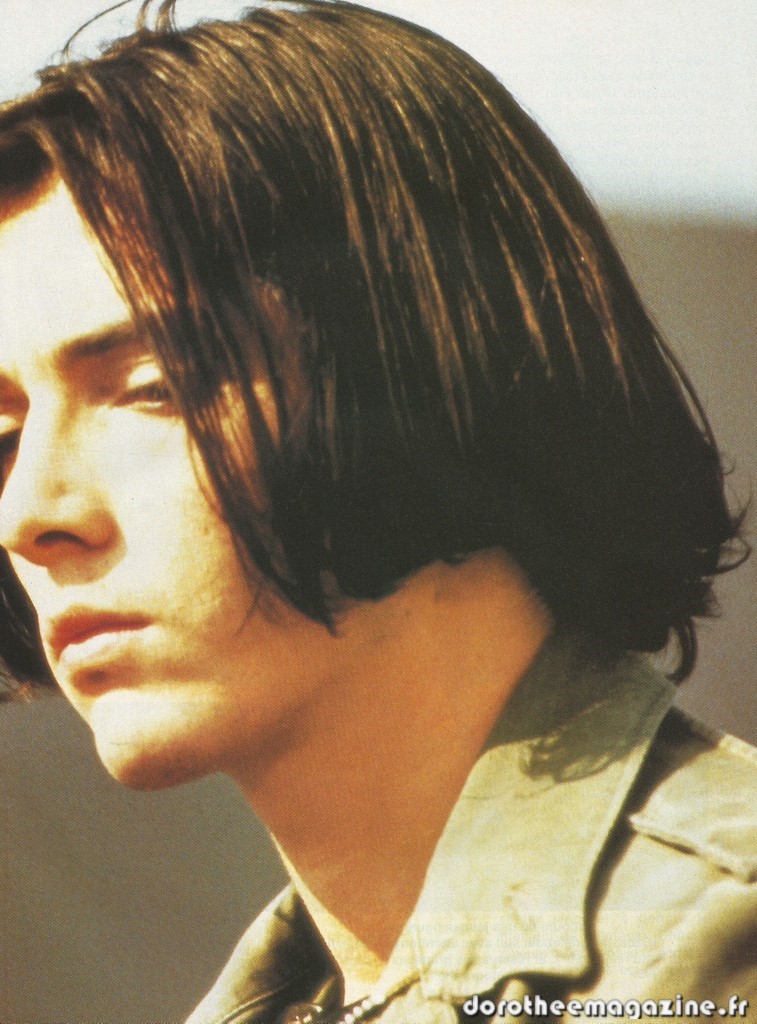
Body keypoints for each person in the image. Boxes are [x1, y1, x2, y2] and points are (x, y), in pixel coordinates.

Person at [0, 2, 754, 1022]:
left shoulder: (719, 954)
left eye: (153, 387)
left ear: (423, 373)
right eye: (3, 433)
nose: (30, 511)